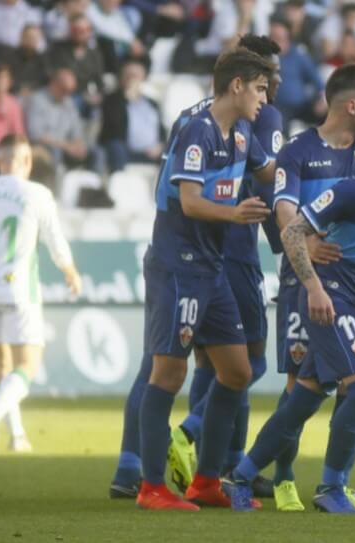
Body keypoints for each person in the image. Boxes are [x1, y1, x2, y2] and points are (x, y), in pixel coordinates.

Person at [228, 112, 355, 513]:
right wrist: (314, 288)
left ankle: (239, 475)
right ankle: (331, 488)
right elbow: (291, 231)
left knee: (304, 399)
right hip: (332, 297)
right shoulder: (353, 190)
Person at [134, 48, 276, 511]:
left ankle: (206, 482)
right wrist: (236, 214)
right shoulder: (198, 130)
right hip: (179, 265)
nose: (265, 96)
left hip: (211, 270)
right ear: (236, 86)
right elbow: (190, 201)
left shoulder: (242, 133)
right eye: (259, 87)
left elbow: (270, 172)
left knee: (237, 371)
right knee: (169, 371)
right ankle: (151, 487)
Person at [267, 63, 355, 512]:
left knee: (354, 384)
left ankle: (336, 484)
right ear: (351, 104)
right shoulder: (298, 151)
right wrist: (307, 245)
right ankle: (283, 478)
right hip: (305, 283)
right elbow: (283, 209)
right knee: (300, 384)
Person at [0, 134, 82, 453]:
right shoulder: (37, 194)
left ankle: (17, 436)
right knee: (28, 365)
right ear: (28, 162)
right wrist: (70, 271)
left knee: (2, 366)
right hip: (20, 287)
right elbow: (54, 239)